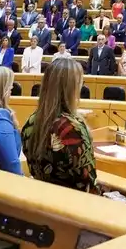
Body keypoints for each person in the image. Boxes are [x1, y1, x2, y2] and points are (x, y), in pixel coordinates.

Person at [21, 56, 98, 194]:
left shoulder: (30, 121)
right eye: (80, 82)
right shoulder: (72, 128)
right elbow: (88, 180)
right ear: (71, 87)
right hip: (72, 203)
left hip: (41, 196)